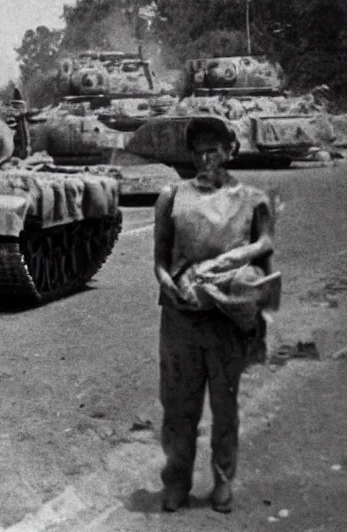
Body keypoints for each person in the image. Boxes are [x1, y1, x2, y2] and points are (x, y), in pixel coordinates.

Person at [153, 119, 279, 514]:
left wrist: (233, 273)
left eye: (214, 149)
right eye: (198, 150)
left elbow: (265, 256)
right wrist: (166, 283)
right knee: (178, 408)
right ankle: (176, 481)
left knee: (225, 406)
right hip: (180, 318)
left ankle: (223, 481)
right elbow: (160, 258)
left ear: (229, 151)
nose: (206, 157)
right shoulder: (171, 196)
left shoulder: (254, 199)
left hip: (226, 320)